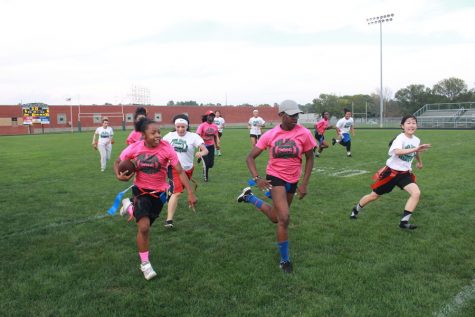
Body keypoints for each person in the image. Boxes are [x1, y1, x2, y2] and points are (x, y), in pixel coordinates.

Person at [237, 100, 316, 273]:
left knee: (276, 217)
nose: (295, 118)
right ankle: (285, 260)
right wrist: (257, 178)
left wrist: (304, 183)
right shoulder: (270, 134)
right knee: (284, 218)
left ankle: (249, 197)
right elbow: (250, 158)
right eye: (291, 115)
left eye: (297, 115)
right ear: (281, 115)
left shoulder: (304, 133)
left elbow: (310, 157)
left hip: (293, 180)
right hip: (275, 177)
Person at [115, 118, 197, 280]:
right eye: (153, 133)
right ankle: (145, 264)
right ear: (144, 135)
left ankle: (129, 206)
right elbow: (118, 161)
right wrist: (119, 175)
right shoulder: (135, 147)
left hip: (159, 194)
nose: (158, 135)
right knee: (144, 228)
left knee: (147, 224)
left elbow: (180, 171)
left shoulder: (167, 149)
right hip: (140, 191)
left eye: (159, 132)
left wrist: (190, 192)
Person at [350, 115, 431, 229]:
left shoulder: (416, 140)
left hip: (404, 174)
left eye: (414, 122)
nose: (411, 125)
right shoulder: (400, 138)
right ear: (402, 126)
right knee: (374, 196)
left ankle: (404, 222)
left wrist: (420, 162)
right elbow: (397, 151)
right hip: (390, 174)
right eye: (408, 123)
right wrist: (415, 149)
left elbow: (417, 151)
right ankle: (356, 209)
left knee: (416, 193)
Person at [162, 115, 208, 228]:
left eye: (183, 127)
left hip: (188, 168)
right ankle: (169, 220)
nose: (180, 129)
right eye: (178, 127)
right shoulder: (169, 136)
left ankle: (168, 191)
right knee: (177, 193)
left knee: (178, 189)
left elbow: (205, 150)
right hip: (173, 168)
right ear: (175, 126)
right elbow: (160, 147)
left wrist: (201, 153)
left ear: (187, 126)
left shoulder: (193, 136)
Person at [196, 110, 220, 182]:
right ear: (207, 117)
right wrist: (199, 145)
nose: (211, 117)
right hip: (203, 147)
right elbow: (197, 135)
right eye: (210, 116)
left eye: (213, 116)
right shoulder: (202, 125)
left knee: (211, 164)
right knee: (206, 164)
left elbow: (216, 136)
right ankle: (205, 177)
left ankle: (200, 157)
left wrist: (217, 145)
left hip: (211, 146)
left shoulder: (215, 126)